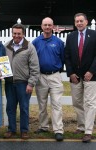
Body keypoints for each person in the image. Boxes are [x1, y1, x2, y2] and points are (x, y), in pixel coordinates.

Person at [4, 23, 39, 139]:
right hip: (9, 83)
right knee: (10, 108)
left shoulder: (30, 47)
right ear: (12, 33)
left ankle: (24, 130)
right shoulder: (7, 46)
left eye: (19, 33)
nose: (16, 35)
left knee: (24, 107)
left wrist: (31, 83)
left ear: (23, 34)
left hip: (23, 83)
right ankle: (11, 130)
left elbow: (35, 68)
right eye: (14, 33)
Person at [65, 13, 96, 143]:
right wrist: (71, 73)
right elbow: (67, 56)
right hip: (75, 76)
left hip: (91, 76)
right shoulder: (70, 36)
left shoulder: (94, 35)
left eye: (81, 21)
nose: (79, 23)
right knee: (77, 102)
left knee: (89, 103)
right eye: (77, 21)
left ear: (86, 22)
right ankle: (81, 125)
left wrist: (92, 71)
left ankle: (88, 131)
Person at [32, 17, 64, 141]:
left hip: (55, 75)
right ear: (41, 26)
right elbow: (33, 60)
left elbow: (62, 58)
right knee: (42, 104)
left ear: (53, 26)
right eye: (45, 25)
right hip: (40, 76)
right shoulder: (35, 42)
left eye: (49, 25)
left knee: (56, 103)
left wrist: (56, 70)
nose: (47, 27)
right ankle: (43, 126)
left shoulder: (58, 42)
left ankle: (58, 130)